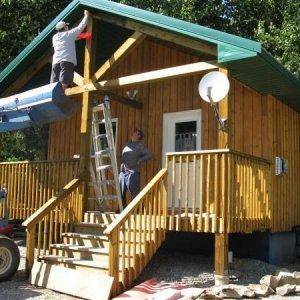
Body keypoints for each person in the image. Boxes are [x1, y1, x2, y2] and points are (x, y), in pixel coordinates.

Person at [50, 11, 89, 91]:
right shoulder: (69, 34)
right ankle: (60, 94)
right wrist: (86, 15)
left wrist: (81, 36)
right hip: (66, 61)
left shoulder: (54, 37)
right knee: (65, 80)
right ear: (65, 28)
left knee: (54, 83)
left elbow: (70, 39)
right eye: (67, 26)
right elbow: (81, 27)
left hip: (55, 62)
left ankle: (53, 97)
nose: (68, 27)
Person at [119, 129, 152, 208]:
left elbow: (149, 155)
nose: (133, 133)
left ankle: (137, 209)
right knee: (120, 193)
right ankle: (122, 209)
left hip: (133, 172)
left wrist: (139, 160)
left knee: (135, 193)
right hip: (123, 172)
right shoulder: (127, 144)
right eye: (133, 132)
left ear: (139, 136)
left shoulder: (140, 145)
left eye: (135, 133)